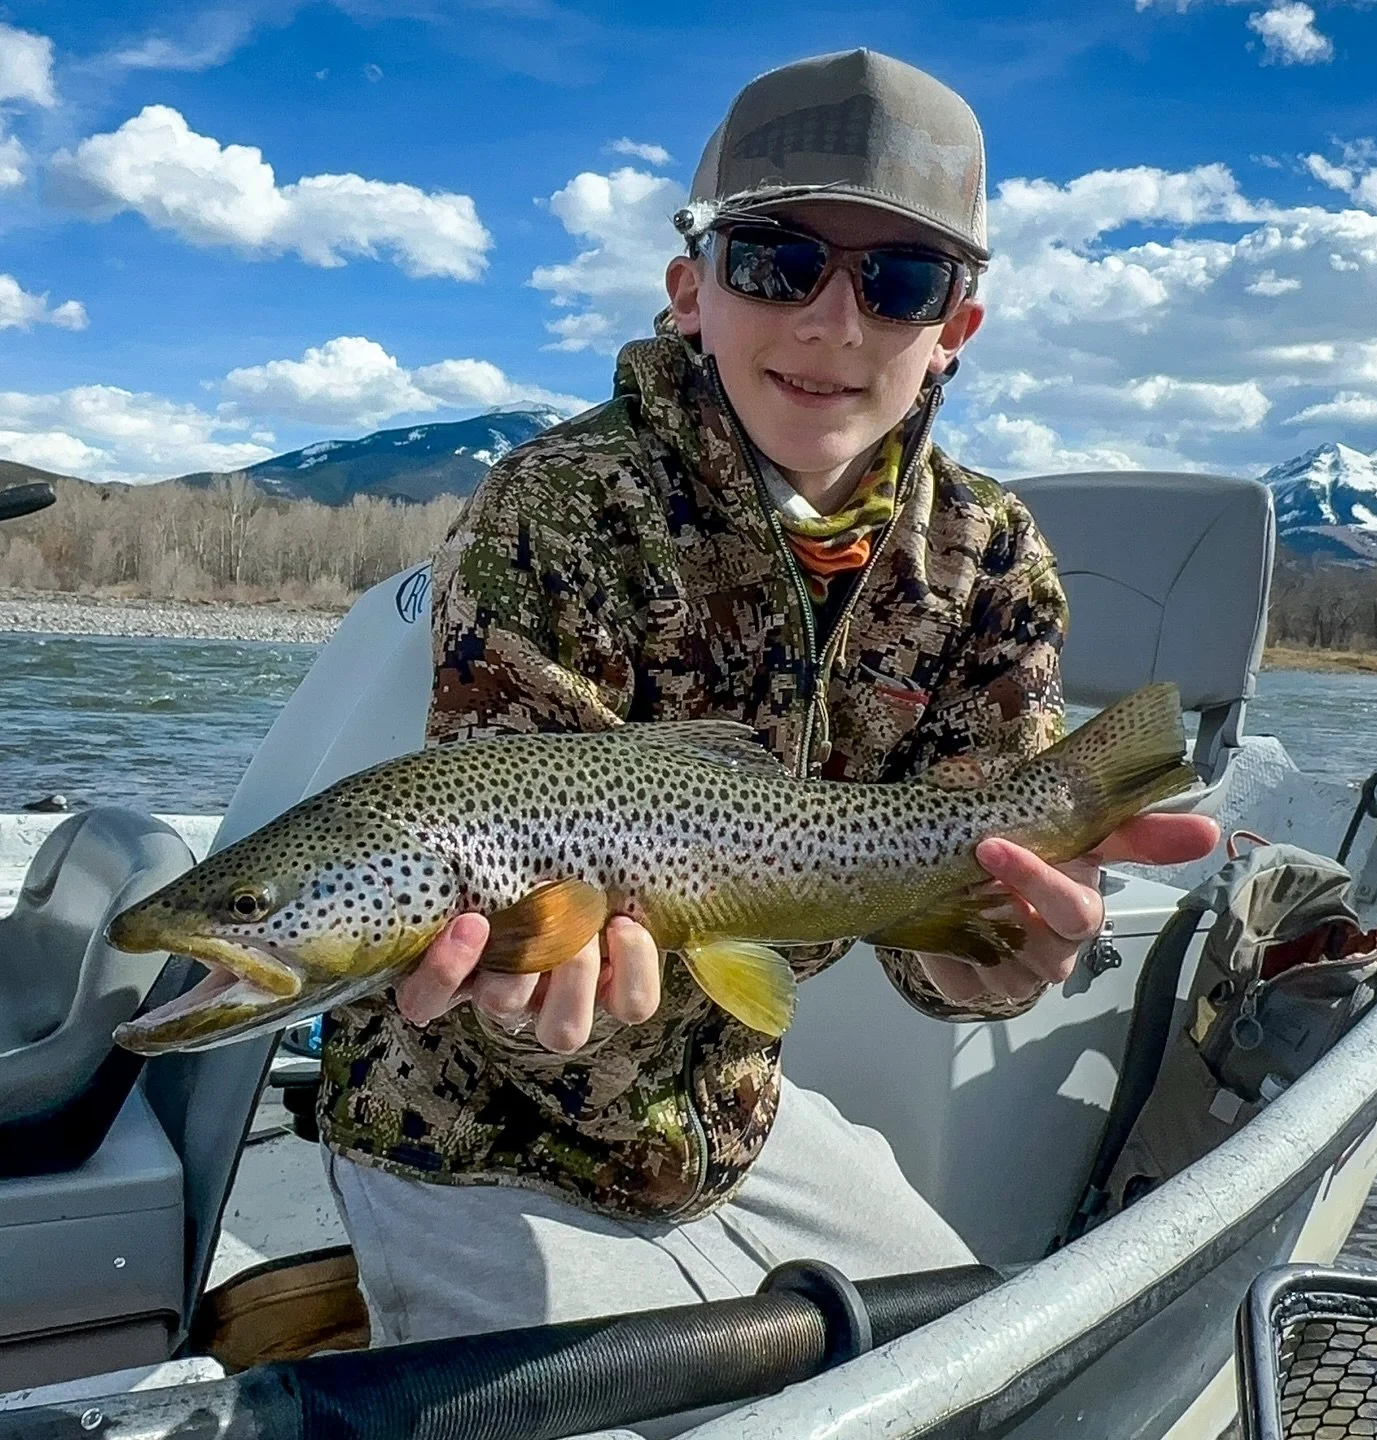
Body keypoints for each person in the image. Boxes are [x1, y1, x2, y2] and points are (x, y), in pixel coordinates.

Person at [318, 48, 1219, 1354]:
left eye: (899, 281)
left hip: (735, 1116)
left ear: (953, 331)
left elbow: (941, 944)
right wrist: (518, 968)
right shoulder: (557, 509)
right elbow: (505, 843)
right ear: (693, 291)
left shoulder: (989, 562)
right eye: (777, 261)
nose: (833, 322)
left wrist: (997, 958)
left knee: (989, 1377)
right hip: (462, 1123)